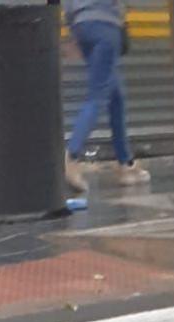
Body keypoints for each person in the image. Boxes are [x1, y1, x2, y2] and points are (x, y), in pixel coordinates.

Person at [64, 0, 150, 193]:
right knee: (97, 97)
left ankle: (125, 163)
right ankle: (71, 157)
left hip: (82, 26)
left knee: (116, 98)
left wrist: (74, 30)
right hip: (106, 25)